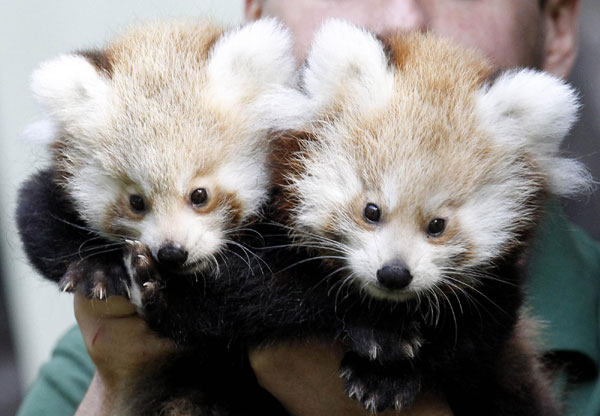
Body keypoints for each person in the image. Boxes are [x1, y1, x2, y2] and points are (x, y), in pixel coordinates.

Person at [17, 0, 600, 415]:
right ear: (258, 16)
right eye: (370, 213)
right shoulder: (106, 329)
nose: (400, 17)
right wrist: (118, 387)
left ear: (558, 29)